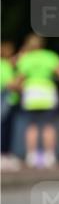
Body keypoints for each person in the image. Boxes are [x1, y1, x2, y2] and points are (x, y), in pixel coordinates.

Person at [15, 34, 59, 167]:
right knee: (48, 126)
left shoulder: (26, 58)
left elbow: (19, 79)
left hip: (31, 94)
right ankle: (50, 156)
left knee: (32, 126)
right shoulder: (49, 56)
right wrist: (56, 78)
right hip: (47, 93)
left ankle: (31, 156)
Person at [1, 40, 21, 169]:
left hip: (9, 101)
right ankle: (3, 155)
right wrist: (21, 80)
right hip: (3, 101)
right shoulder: (3, 66)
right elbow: (10, 84)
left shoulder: (7, 65)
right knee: (3, 128)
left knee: (8, 128)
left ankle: (6, 154)